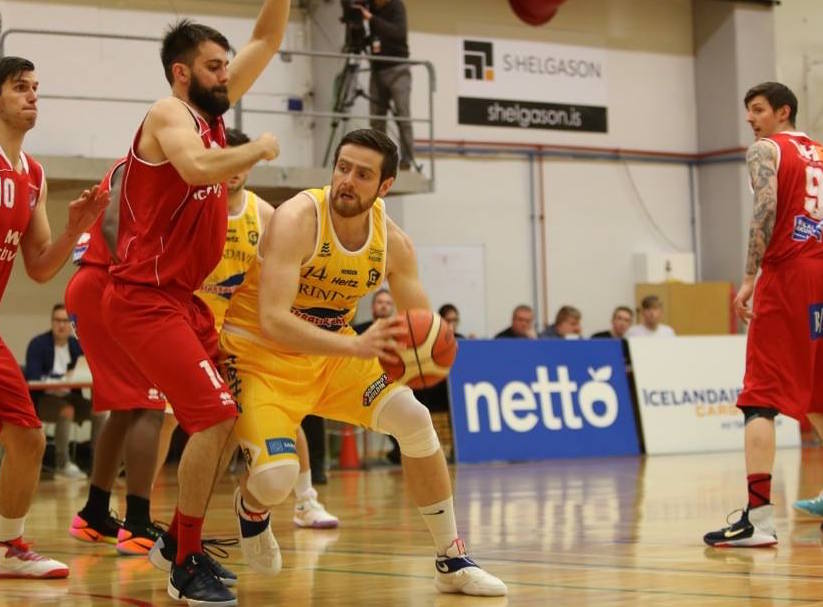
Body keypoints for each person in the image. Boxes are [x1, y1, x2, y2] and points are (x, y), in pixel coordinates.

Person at [220, 128, 506, 596]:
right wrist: (357, 347)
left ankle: (451, 559)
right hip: (259, 356)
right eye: (343, 168)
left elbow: (420, 327)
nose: (347, 181)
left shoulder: (394, 243)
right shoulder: (297, 218)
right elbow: (272, 320)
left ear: (385, 186)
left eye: (363, 174)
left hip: (333, 356)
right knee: (275, 480)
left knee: (415, 419)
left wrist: (429, 352)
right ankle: (251, 510)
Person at [100, 5, 289, 605]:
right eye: (214, 66)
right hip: (143, 299)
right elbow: (197, 167)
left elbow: (267, 37)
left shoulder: (211, 113)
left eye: (226, 65)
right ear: (182, 73)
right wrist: (257, 150)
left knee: (227, 416)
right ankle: (183, 563)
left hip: (181, 301)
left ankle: (176, 543)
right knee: (211, 418)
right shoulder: (170, 113)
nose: (225, 75)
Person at [153, 127, 338, 530]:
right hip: (194, 328)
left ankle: (306, 500)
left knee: (284, 413)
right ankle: (140, 512)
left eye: (244, 159)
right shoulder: (193, 207)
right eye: (228, 158)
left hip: (246, 333)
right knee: (166, 418)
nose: (235, 169)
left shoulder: (267, 215)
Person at [0, 55, 108, 578]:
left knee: (28, 436)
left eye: (36, 87)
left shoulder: (34, 175)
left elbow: (41, 267)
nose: (32, 96)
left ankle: (7, 546)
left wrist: (75, 228)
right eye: (20, 87)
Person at [703, 82, 823, 547]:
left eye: (757, 110)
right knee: (817, 396)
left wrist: (750, 275)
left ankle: (759, 518)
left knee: (759, 398)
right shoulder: (820, 154)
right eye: (748, 111)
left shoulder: (766, 150)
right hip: (819, 274)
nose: (750, 119)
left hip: (788, 274)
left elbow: (765, 209)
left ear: (782, 111)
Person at [66, 158, 170, 556]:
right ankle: (138, 525)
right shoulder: (144, 163)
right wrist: (138, 278)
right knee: (150, 405)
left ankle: (94, 514)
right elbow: (111, 226)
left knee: (125, 408)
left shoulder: (146, 165)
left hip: (94, 285)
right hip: (107, 284)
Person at [25, 303, 102, 479]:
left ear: (72, 324)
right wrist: (61, 377)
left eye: (65, 321)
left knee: (99, 410)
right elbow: (32, 376)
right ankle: (62, 463)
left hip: (70, 396)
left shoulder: (77, 346)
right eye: (57, 320)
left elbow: (89, 371)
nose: (61, 325)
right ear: (52, 322)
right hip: (44, 399)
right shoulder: (38, 344)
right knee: (67, 410)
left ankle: (98, 464)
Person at [355, 0, 415, 170]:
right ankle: (378, 159)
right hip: (377, 70)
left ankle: (407, 160)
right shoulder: (371, 7)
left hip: (398, 69)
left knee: (402, 116)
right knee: (377, 119)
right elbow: (374, 37)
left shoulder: (396, 6)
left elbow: (398, 33)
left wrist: (371, 19)